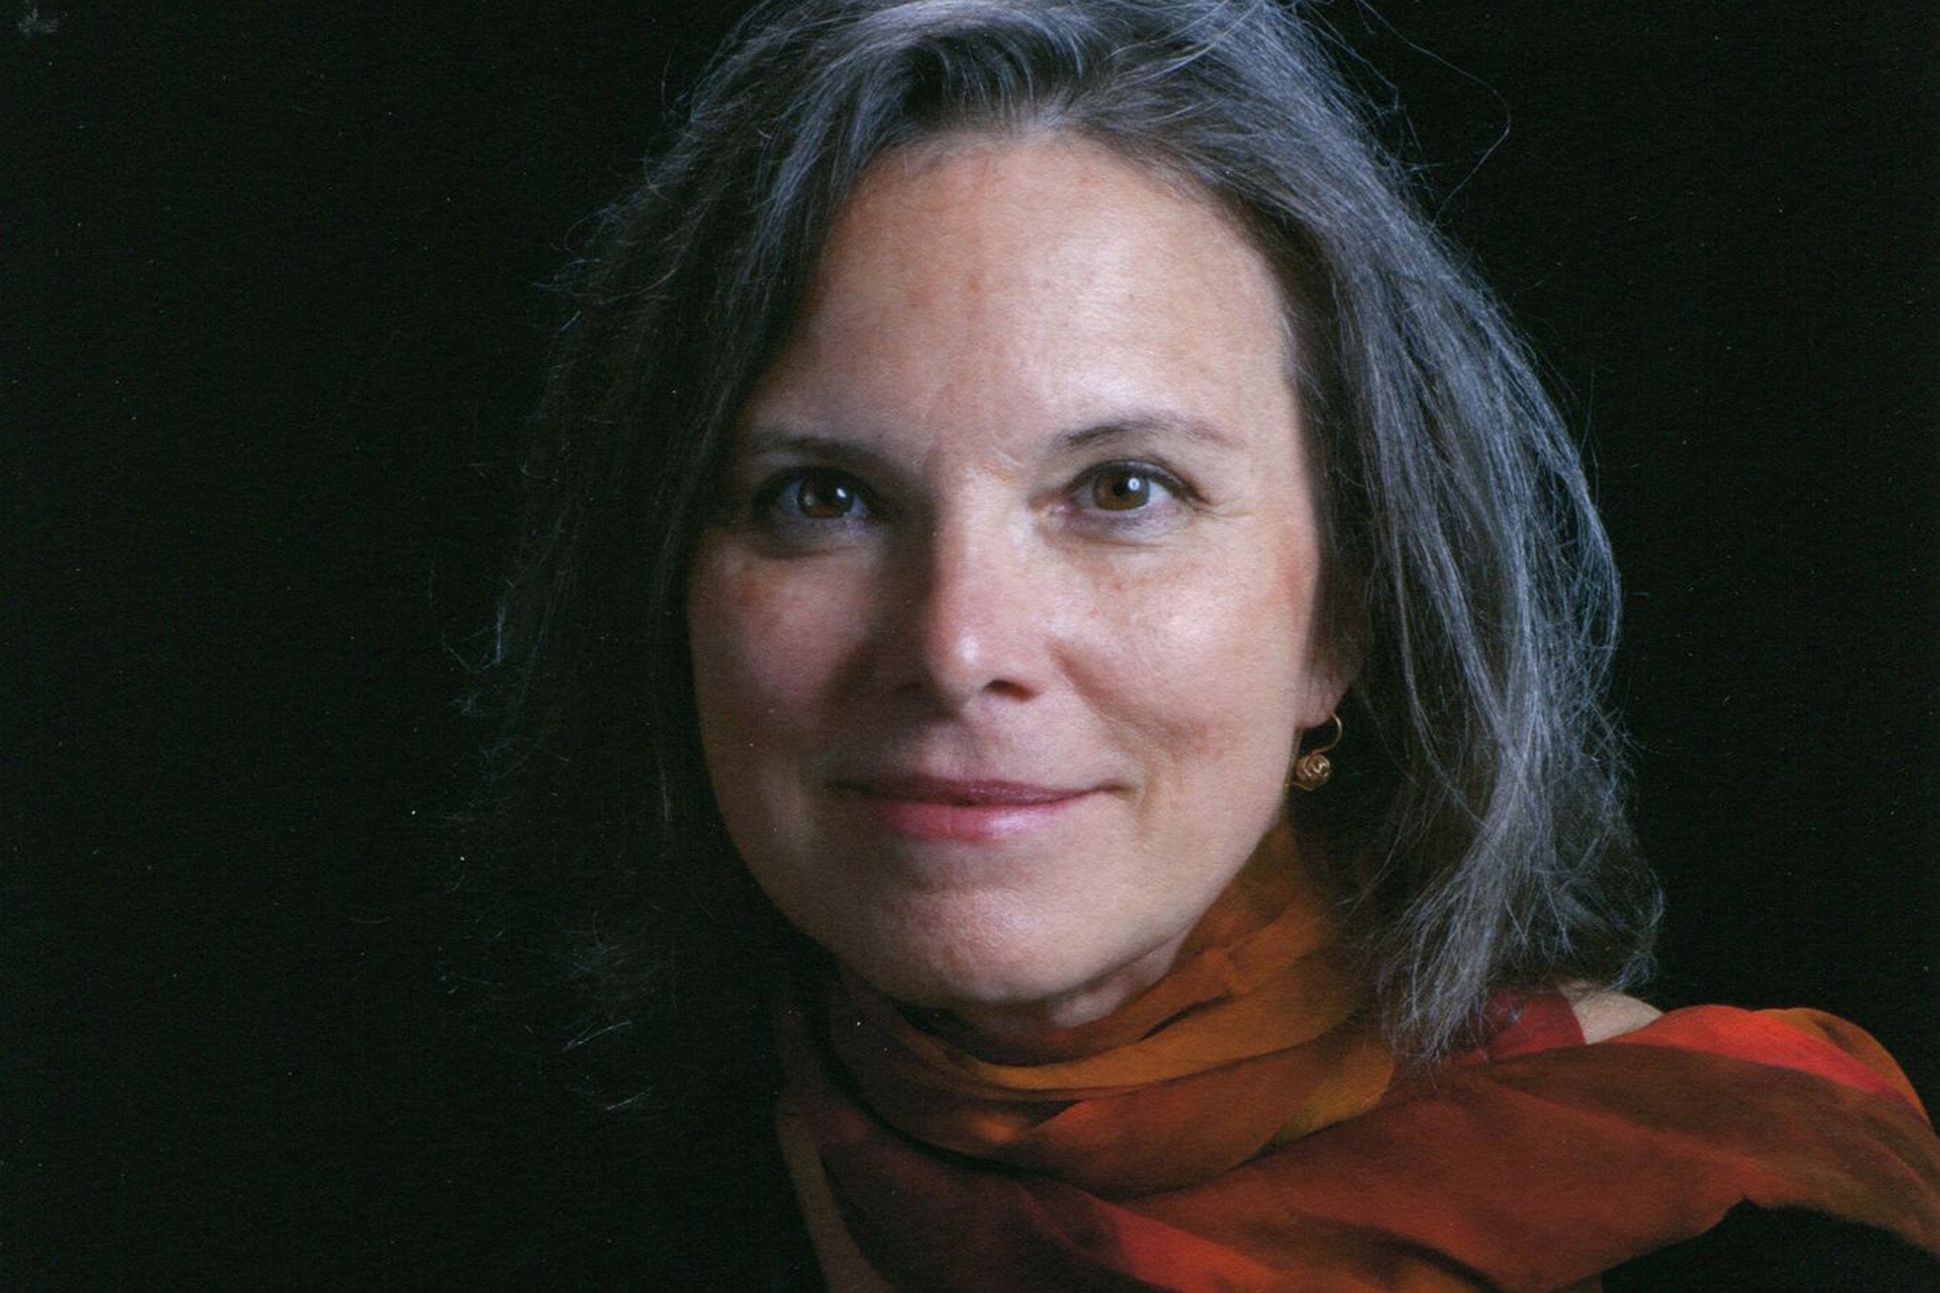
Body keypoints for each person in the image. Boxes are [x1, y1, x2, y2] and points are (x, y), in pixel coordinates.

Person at [470, 1, 1940, 1286]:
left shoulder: (1743, 1222)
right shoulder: (513, 1200)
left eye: (1123, 490)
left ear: (1348, 611)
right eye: (824, 496)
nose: (957, 642)